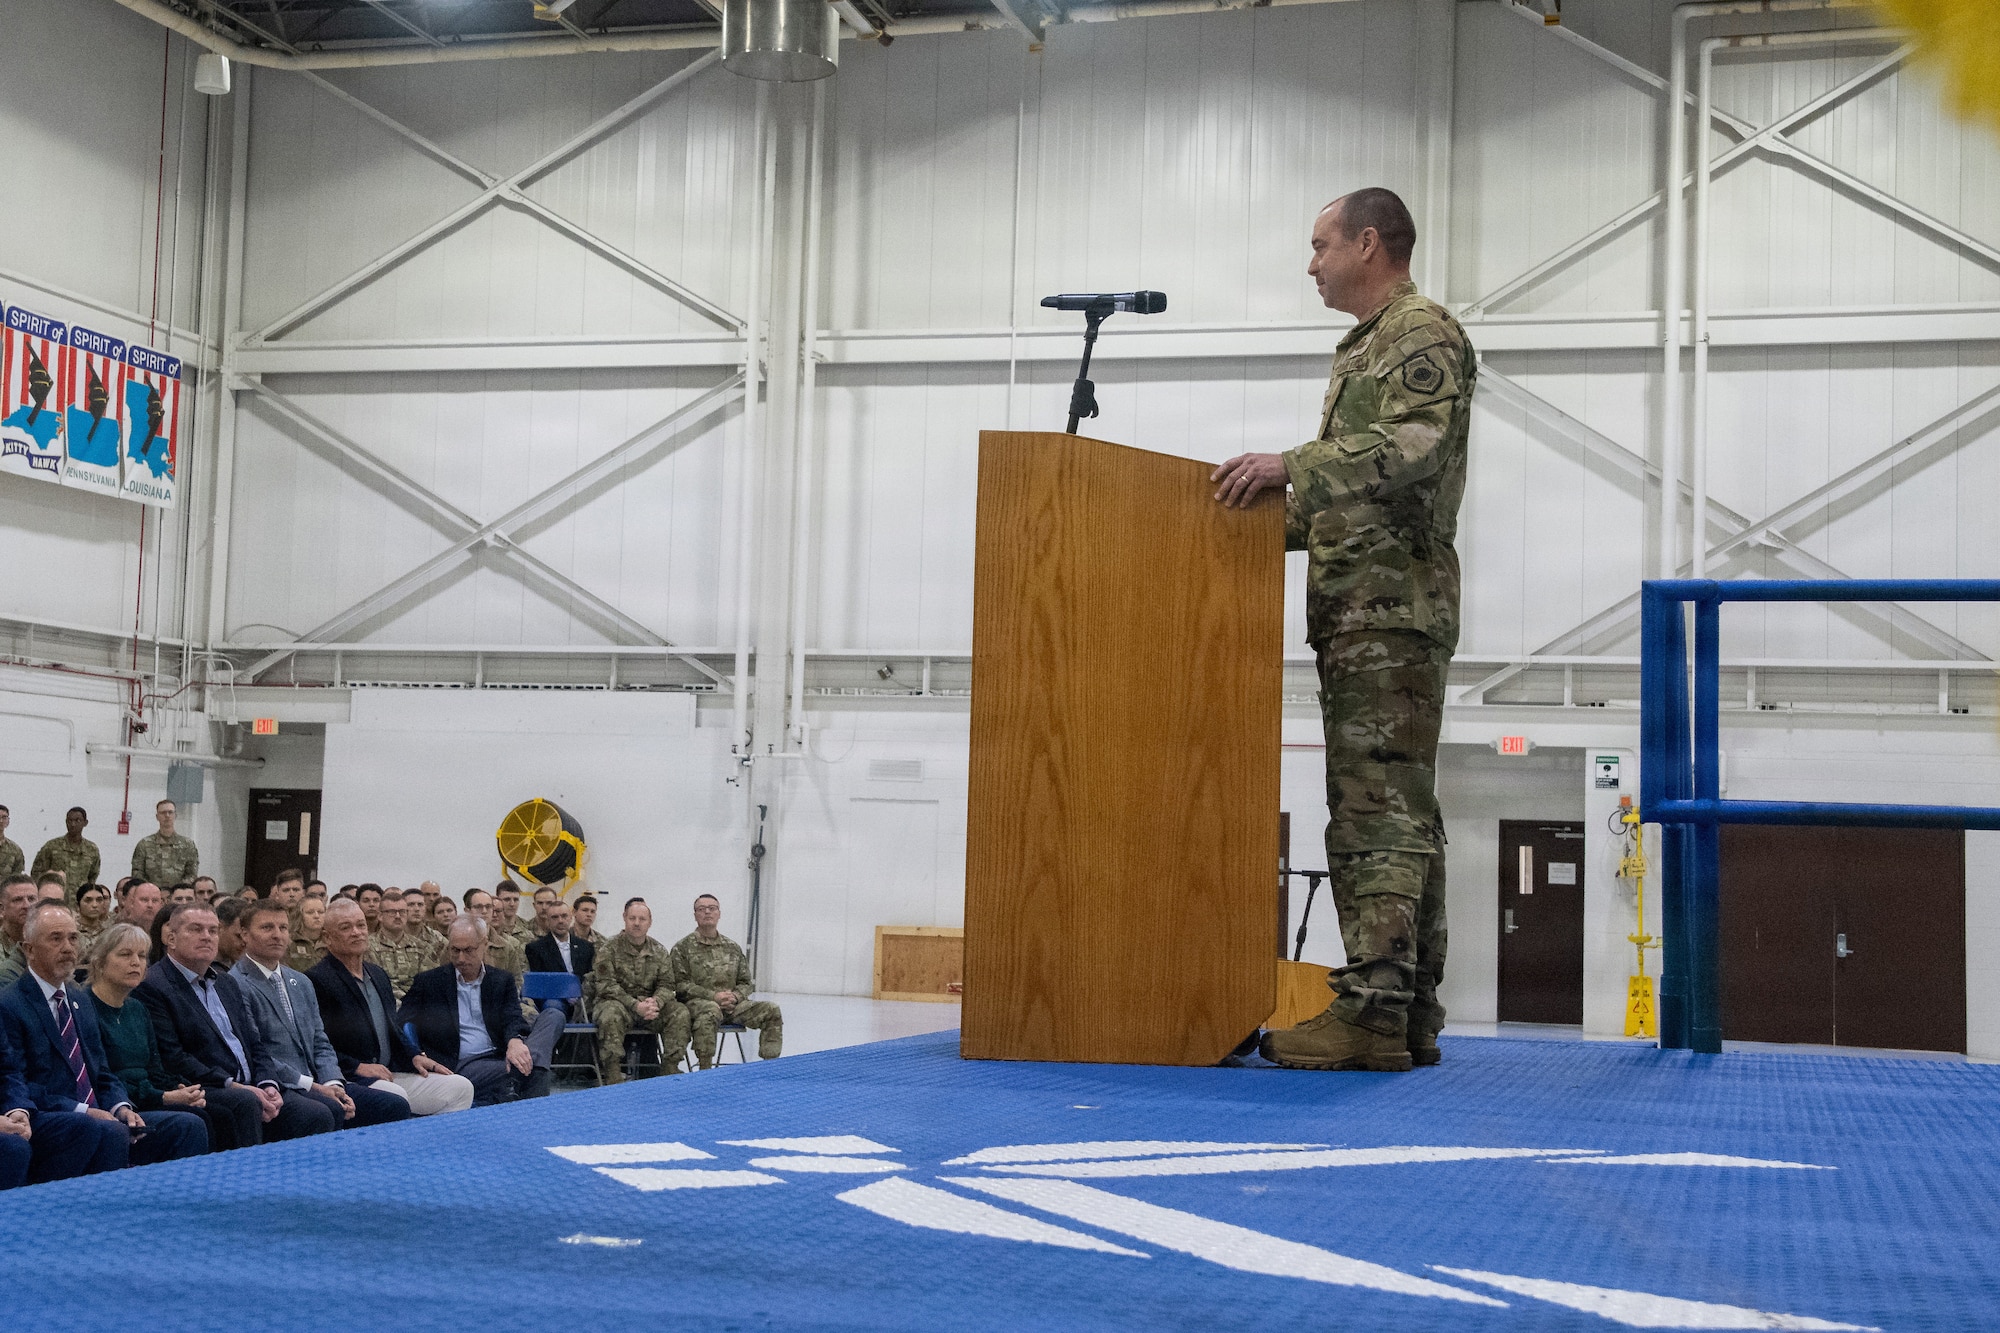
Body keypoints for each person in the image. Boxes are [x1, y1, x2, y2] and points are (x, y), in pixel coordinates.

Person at [1210, 187, 1473, 1074]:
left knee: (1374, 811)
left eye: (1320, 244)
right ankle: (1408, 1011)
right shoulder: (1368, 344)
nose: (1311, 261)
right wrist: (1236, 520)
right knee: (1400, 807)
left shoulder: (1418, 334)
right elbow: (1357, 497)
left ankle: (1371, 1009)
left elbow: (1416, 447)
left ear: (1369, 244)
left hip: (1389, 611)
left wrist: (1291, 466)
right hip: (1366, 607)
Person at [0, 904, 207, 1166]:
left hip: (97, 1113)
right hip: (51, 1113)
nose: (67, 947)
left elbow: (102, 1072)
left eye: (73, 938)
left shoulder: (76, 1000)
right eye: (56, 938)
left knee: (186, 1125)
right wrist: (85, 1110)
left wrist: (121, 1106)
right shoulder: (10, 1004)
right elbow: (19, 1081)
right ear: (28, 949)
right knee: (103, 1130)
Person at [135, 902, 329, 1147]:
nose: (207, 937)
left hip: (249, 1085)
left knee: (320, 1112)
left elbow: (254, 1044)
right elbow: (174, 1057)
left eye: (213, 931)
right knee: (246, 1104)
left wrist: (267, 1083)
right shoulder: (154, 985)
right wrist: (235, 1086)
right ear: (171, 938)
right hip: (206, 1085)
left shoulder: (226, 983)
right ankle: (245, 1181)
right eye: (196, 929)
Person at [231, 900, 409, 1130]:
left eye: (283, 928)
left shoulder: (300, 981)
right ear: (245, 934)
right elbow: (255, 1052)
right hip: (280, 1084)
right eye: (267, 928)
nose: (277, 935)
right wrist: (313, 1086)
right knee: (326, 1111)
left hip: (320, 1079)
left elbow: (320, 1041)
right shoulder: (235, 983)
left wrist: (333, 1082)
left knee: (393, 1106)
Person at [308, 900, 472, 1116]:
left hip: (390, 1071)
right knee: (395, 1097)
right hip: (351, 1077)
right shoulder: (316, 980)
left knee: (461, 1087)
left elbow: (393, 1031)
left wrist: (414, 1056)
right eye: (346, 927)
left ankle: (432, 1144)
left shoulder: (377, 975)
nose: (356, 932)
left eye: (361, 925)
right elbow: (315, 1045)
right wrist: (357, 1066)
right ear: (327, 937)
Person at [86, 922, 223, 1153]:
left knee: (218, 1112)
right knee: (193, 1122)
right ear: (100, 962)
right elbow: (104, 1076)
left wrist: (181, 1089)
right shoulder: (85, 1007)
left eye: (141, 956)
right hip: (119, 1103)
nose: (135, 962)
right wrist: (165, 1097)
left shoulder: (137, 1008)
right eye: (125, 954)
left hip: (149, 1095)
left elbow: (155, 1068)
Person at [398, 916, 547, 1105]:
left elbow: (512, 1017)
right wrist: (416, 1054)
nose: (461, 958)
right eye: (455, 950)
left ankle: (510, 1094)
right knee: (535, 1068)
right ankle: (530, 1113)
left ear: (484, 944)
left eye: (468, 950)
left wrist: (514, 1040)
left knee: (552, 1018)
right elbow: (401, 1023)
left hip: (498, 1054)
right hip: (458, 1062)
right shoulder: (429, 982)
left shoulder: (501, 980)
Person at [671, 894, 782, 1067]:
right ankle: (705, 1069)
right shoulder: (682, 948)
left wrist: (736, 997)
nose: (707, 912)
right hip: (699, 1005)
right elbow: (680, 985)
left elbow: (746, 982)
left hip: (733, 1006)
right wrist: (713, 996)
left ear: (719, 913)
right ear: (695, 915)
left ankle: (769, 1067)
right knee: (711, 1010)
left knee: (771, 1010)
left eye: (712, 908)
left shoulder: (732, 947)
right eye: (702, 909)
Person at [592, 898, 688, 1082]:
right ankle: (613, 1074)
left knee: (679, 1012)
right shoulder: (609, 948)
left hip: (650, 1007)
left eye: (642, 919)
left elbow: (668, 984)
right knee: (609, 1014)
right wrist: (635, 1005)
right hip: (620, 1004)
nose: (637, 923)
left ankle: (670, 1070)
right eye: (632, 918)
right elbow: (606, 985)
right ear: (624, 918)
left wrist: (656, 1002)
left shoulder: (659, 950)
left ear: (649, 922)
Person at [480, 892, 564, 1074]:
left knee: (548, 1015)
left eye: (496, 911)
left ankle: (526, 1064)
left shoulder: (508, 946)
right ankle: (526, 1068)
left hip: (509, 1000)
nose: (493, 914)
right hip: (479, 1003)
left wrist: (508, 998)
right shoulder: (461, 944)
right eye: (487, 909)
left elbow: (518, 980)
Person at [525, 897, 594, 1018]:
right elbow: (540, 985)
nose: (560, 921)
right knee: (552, 1009)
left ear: (571, 917)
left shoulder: (586, 947)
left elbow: (590, 978)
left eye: (564, 916)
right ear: (548, 920)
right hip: (554, 999)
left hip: (583, 1000)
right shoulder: (535, 949)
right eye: (555, 917)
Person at [366, 889, 434, 1001]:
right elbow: (376, 983)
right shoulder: (367, 946)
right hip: (384, 1004)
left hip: (417, 1007)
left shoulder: (423, 947)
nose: (398, 916)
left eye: (402, 912)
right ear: (380, 916)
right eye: (392, 912)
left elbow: (428, 982)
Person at [32, 809, 101, 901]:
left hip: (80, 902)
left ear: (85, 823)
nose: (73, 824)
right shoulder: (52, 846)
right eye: (70, 821)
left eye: (77, 820)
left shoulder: (92, 849)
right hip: (55, 900)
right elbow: (37, 873)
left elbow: (92, 876)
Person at [130, 799, 199, 890]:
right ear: (157, 816)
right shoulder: (144, 844)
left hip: (179, 896)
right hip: (151, 895)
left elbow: (192, 874)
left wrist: (176, 891)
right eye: (163, 813)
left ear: (175, 815)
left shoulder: (188, 845)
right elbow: (137, 873)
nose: (167, 816)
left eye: (170, 812)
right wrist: (153, 890)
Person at [0, 876, 35, 987]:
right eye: (18, 900)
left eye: (32, 899)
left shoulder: (46, 945)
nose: (27, 905)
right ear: (2, 909)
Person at [286, 894, 327, 973]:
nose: (316, 916)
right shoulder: (289, 942)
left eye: (321, 912)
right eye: (310, 912)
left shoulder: (331, 941)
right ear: (300, 915)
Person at [492, 881, 534, 948]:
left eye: (516, 900)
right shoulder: (491, 927)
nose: (512, 904)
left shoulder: (528, 927)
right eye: (507, 899)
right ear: (498, 900)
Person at [75, 883, 111, 960]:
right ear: (78, 905)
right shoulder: (71, 931)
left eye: (99, 900)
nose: (94, 905)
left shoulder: (109, 932)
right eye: (88, 900)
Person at [213, 897, 251, 970]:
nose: (244, 942)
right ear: (219, 928)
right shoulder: (201, 966)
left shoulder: (245, 967)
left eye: (247, 936)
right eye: (238, 936)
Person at [0, 806, 22, 881]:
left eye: (4, 817)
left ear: (8, 821)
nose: (1, 821)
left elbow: (17, 879)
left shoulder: (15, 850)